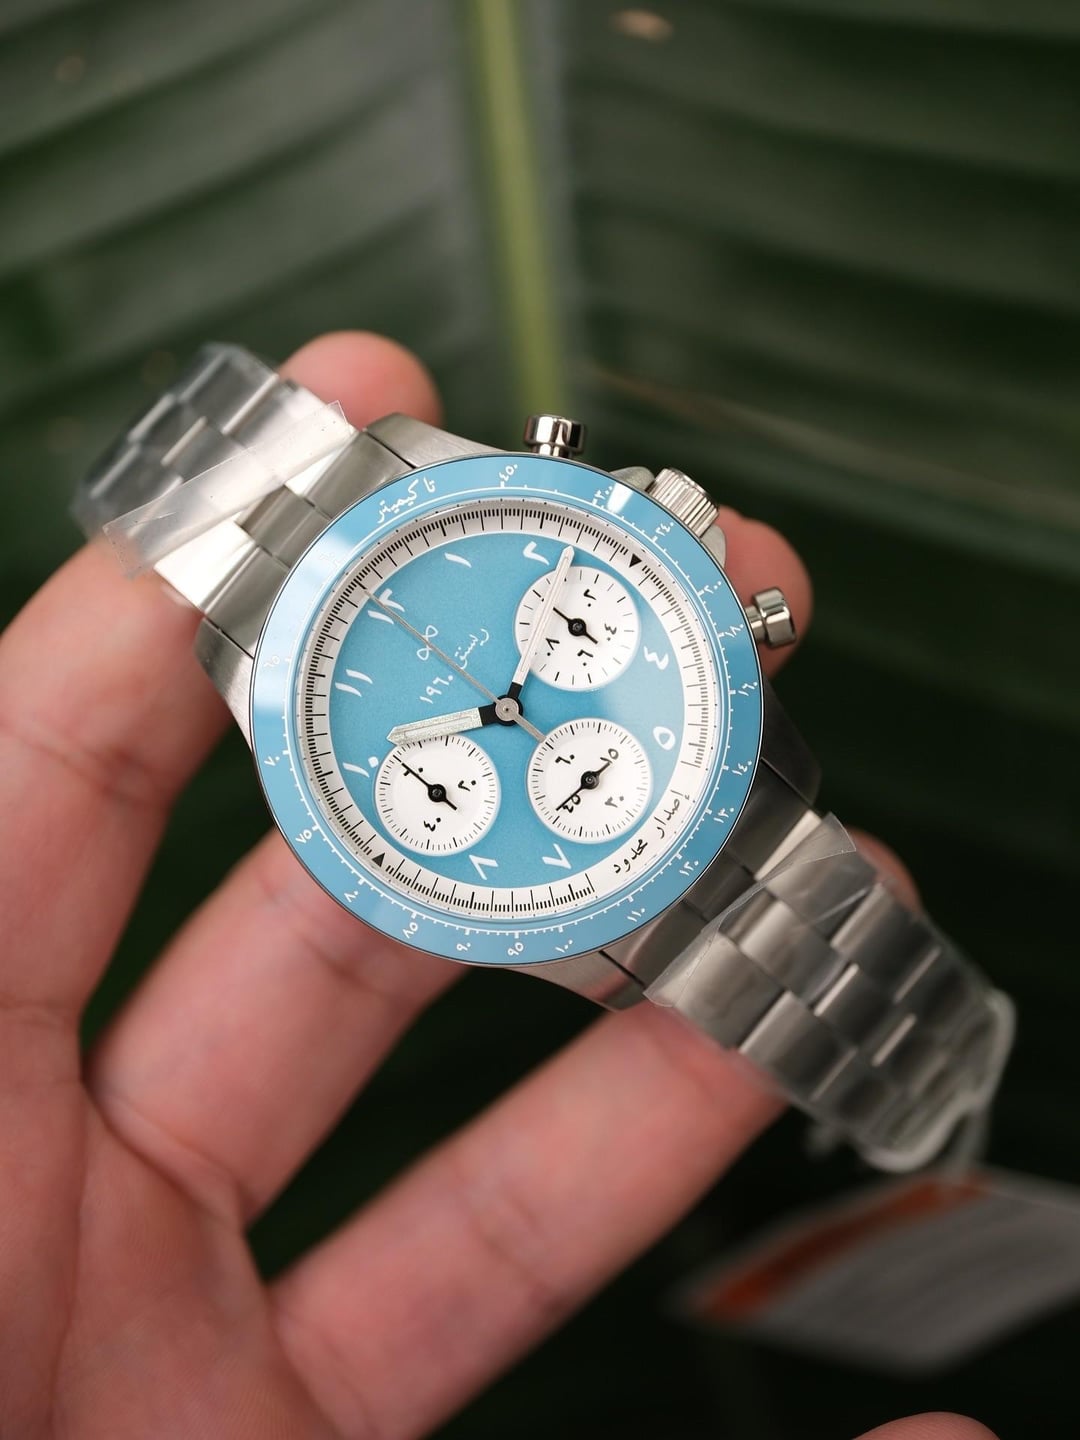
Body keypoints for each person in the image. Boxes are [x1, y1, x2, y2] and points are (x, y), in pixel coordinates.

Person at [0, 332, 997, 1439]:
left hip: (675, 807)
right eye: (501, 715)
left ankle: (937, 1063)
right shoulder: (265, 672)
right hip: (593, 879)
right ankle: (922, 1080)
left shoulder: (411, 492)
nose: (513, 712)